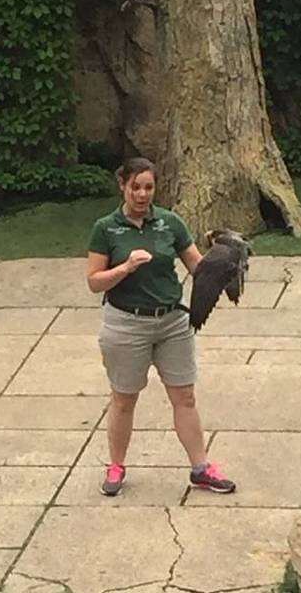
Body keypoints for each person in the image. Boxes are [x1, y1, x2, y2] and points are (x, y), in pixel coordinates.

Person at [86, 157, 236, 496]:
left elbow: (198, 267)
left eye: (148, 187)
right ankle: (116, 466)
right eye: (135, 187)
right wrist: (125, 267)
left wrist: (226, 265)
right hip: (126, 324)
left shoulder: (170, 223)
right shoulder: (105, 228)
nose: (142, 194)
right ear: (122, 186)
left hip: (172, 323)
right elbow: (94, 282)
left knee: (185, 396)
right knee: (124, 398)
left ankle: (201, 469)